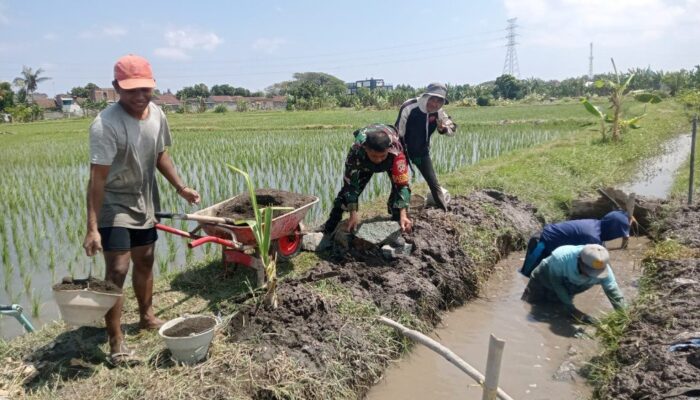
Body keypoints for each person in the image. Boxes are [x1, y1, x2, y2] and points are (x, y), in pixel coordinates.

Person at [82, 54, 200, 364]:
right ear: (116, 88)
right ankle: (116, 338)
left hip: (145, 198)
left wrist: (181, 187)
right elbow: (97, 180)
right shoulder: (105, 125)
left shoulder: (158, 115)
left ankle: (147, 316)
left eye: (145, 89)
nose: (139, 96)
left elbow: (161, 154)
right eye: (131, 90)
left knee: (145, 259)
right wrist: (92, 228)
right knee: (118, 269)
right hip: (113, 203)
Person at [322, 124, 412, 234]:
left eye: (382, 156)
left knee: (397, 191)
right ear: (366, 148)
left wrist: (403, 213)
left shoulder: (397, 153)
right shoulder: (356, 152)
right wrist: (353, 213)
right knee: (344, 196)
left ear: (388, 149)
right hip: (364, 163)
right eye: (374, 156)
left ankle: (398, 223)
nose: (378, 160)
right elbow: (350, 184)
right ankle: (329, 227)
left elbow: (402, 185)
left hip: (390, 161)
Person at [522, 244, 626, 324]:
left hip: (569, 286)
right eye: (589, 272)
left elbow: (614, 293)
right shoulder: (561, 258)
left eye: (597, 274)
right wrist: (571, 308)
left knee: (555, 309)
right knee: (528, 304)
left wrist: (624, 317)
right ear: (579, 261)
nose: (593, 276)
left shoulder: (604, 269)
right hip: (544, 279)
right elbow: (557, 284)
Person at [395, 82, 457, 211]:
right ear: (426, 96)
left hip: (422, 152)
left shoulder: (439, 112)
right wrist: (399, 156)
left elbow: (452, 128)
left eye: (439, 101)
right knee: (400, 182)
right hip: (402, 151)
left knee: (434, 183)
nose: (434, 104)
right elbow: (398, 132)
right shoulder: (409, 106)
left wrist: (443, 129)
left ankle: (444, 211)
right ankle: (396, 213)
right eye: (432, 99)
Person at [520, 210, 632, 277]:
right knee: (527, 275)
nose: (616, 237)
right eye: (618, 233)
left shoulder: (597, 227)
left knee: (546, 276)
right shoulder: (592, 237)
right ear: (613, 230)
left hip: (552, 245)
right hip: (541, 243)